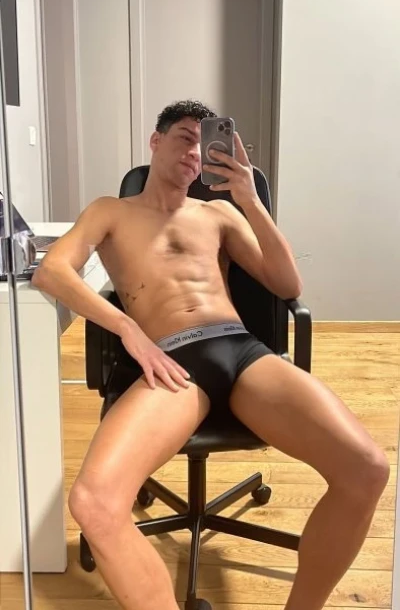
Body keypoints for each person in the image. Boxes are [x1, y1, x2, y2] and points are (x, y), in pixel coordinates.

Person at [32, 100, 389, 610]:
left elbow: (287, 284)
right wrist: (126, 328)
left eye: (203, 146)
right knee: (94, 503)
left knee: (367, 469)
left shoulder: (219, 213)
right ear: (155, 142)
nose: (194, 153)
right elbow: (53, 271)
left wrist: (250, 201)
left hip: (241, 352)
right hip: (174, 363)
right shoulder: (111, 211)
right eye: (184, 138)